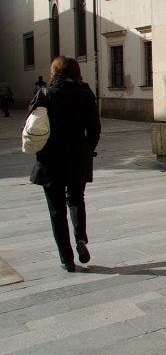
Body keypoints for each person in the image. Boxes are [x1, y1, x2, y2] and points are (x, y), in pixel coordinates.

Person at [27, 56, 101, 272]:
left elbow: (31, 124)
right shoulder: (86, 94)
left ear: (55, 72)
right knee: (77, 198)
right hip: (78, 156)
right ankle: (80, 239)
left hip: (50, 159)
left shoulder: (45, 94)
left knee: (56, 210)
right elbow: (95, 128)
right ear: (76, 72)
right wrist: (88, 149)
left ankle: (66, 259)